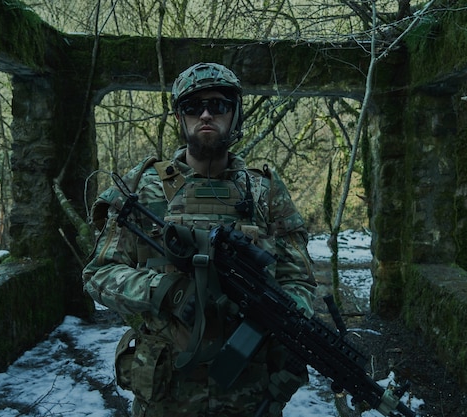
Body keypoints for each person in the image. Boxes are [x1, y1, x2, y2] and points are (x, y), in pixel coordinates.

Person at [82, 62, 317, 417]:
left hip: (249, 392)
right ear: (181, 117)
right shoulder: (141, 188)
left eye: (219, 105)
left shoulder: (266, 191)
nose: (206, 114)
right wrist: (165, 291)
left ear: (235, 115)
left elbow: (298, 279)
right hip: (166, 391)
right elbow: (98, 276)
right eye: (193, 107)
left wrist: (277, 314)